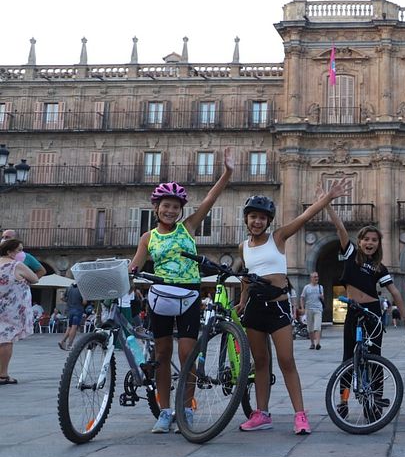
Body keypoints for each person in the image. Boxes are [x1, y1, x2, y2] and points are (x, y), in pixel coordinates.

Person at [128, 149, 233, 434]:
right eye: (166, 206)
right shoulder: (148, 237)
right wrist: (123, 278)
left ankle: (186, 407)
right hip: (159, 296)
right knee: (162, 355)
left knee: (187, 354)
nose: (170, 210)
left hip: (188, 295)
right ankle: (164, 411)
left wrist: (227, 173)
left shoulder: (188, 227)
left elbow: (210, 199)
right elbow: (135, 267)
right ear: (156, 208)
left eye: (175, 206)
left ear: (181, 210)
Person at [236, 183, 349, 435]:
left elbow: (304, 216)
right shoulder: (243, 247)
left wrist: (328, 198)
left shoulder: (278, 238)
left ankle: (300, 415)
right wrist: (243, 301)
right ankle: (261, 413)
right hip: (254, 309)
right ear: (246, 219)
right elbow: (246, 277)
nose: (257, 221)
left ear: (268, 221)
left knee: (287, 361)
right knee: (261, 362)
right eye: (253, 216)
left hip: (278, 308)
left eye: (262, 218)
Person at [323, 201, 405, 409]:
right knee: (348, 357)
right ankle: (343, 400)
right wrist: (327, 203)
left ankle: (376, 397)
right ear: (359, 241)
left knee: (375, 355)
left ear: (378, 244)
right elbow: (340, 227)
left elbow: (394, 291)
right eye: (366, 239)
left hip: (373, 313)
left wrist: (404, 315)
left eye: (374, 240)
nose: (370, 242)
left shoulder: (380, 268)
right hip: (353, 312)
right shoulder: (350, 254)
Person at [0, 238, 39, 384]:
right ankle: (3, 374)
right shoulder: (16, 265)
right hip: (10, 308)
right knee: (6, 340)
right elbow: (35, 278)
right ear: (10, 252)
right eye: (19, 250)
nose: (22, 253)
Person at [299, 271, 324, 350]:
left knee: (317, 326)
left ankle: (318, 343)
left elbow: (323, 298)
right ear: (311, 278)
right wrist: (302, 308)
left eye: (317, 277)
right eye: (315, 277)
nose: (316, 278)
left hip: (318, 309)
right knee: (310, 328)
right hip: (309, 309)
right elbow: (302, 298)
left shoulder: (320, 287)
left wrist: (321, 297)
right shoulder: (307, 287)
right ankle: (312, 343)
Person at [58, 282, 86, 350]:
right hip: (78, 310)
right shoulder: (82, 288)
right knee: (74, 328)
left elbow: (62, 298)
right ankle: (70, 344)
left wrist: (69, 301)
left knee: (69, 327)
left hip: (70, 310)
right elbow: (84, 302)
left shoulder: (69, 287)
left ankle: (62, 341)